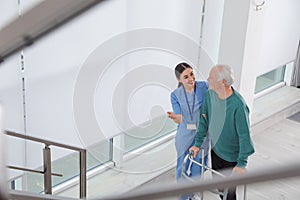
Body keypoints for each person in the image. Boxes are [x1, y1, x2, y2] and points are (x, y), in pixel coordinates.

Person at [189, 64, 255, 200]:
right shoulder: (209, 95)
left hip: (232, 157)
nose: (207, 79)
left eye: (211, 77)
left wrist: (242, 163)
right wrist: (197, 144)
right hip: (216, 150)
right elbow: (203, 121)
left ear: (222, 82)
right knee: (220, 188)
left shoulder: (238, 105)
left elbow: (244, 136)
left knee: (229, 194)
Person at [167, 62, 210, 200]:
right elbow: (180, 120)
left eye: (191, 74)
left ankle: (193, 193)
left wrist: (185, 119)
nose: (191, 79)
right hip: (184, 136)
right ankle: (184, 196)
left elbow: (183, 118)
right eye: (186, 77)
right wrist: (186, 120)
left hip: (202, 135)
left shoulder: (204, 86)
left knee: (199, 166)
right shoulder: (175, 95)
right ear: (179, 80)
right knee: (183, 166)